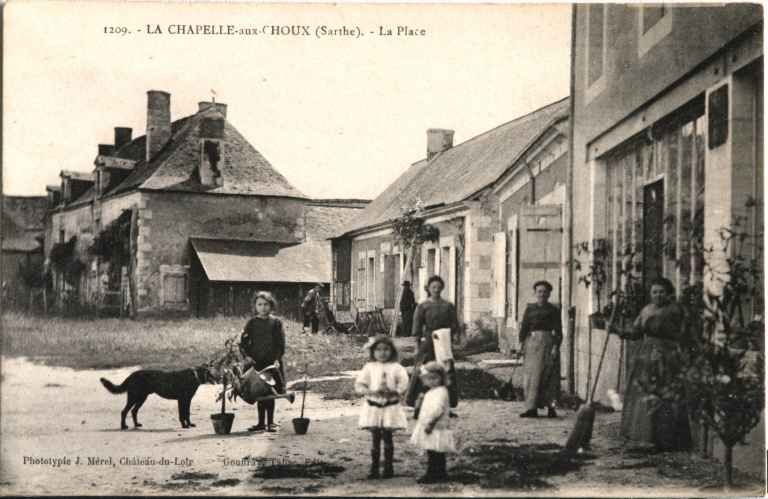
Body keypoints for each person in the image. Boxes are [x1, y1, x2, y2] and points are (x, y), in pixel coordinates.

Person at [611, 277, 692, 451]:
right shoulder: (646, 309)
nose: (658, 295)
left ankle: (665, 439)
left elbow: (683, 334)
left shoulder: (675, 310)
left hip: (667, 354)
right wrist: (618, 330)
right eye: (654, 292)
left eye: (662, 291)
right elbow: (636, 332)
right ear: (650, 294)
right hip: (646, 354)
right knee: (643, 390)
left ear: (669, 293)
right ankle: (644, 435)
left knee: (662, 392)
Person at [354, 335, 410, 479]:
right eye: (378, 349)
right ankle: (374, 467)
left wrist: (396, 391)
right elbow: (360, 384)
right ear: (373, 352)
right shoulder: (369, 367)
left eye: (386, 349)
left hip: (389, 406)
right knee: (375, 437)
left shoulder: (396, 367)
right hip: (374, 406)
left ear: (392, 351)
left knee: (387, 436)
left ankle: (389, 467)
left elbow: (403, 382)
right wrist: (369, 391)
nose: (382, 352)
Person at [405, 276, 460, 409]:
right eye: (433, 287)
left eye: (439, 287)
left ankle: (445, 404)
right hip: (429, 342)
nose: (436, 290)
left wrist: (454, 338)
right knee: (424, 370)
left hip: (444, 341)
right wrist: (417, 345)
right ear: (428, 289)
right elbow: (417, 327)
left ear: (442, 288)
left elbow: (454, 324)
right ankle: (420, 402)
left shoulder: (448, 306)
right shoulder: (423, 306)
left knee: (446, 370)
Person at [240, 291, 286, 433]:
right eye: (260, 304)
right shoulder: (252, 323)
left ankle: (270, 422)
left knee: (269, 392)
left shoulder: (276, 323)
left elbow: (280, 344)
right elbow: (243, 342)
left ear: (271, 306)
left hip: (271, 363)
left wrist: (277, 359)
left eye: (266, 304)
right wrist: (247, 356)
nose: (263, 307)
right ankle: (260, 423)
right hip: (256, 362)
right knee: (259, 392)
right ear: (255, 306)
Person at [519, 280, 562, 418]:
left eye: (545, 292)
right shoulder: (530, 309)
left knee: (550, 377)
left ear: (549, 294)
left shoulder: (554, 310)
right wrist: (521, 345)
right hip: (532, 344)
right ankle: (531, 409)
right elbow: (524, 328)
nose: (542, 294)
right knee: (532, 377)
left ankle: (551, 408)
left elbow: (559, 331)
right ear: (535, 293)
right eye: (539, 291)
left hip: (548, 343)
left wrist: (556, 347)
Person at [410, 361, 457, 484]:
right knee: (432, 451)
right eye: (428, 379)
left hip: (436, 426)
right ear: (424, 380)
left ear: (442, 378)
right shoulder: (431, 391)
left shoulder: (441, 391)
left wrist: (431, 422)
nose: (432, 381)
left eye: (435, 378)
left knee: (436, 452)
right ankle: (438, 473)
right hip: (430, 425)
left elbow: (438, 409)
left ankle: (434, 474)